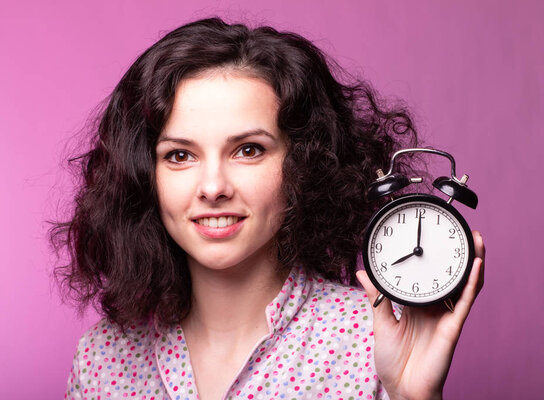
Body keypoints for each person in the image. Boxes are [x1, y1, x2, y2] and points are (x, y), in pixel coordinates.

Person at [53, 17, 485, 400]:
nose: (213, 187)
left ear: (303, 165)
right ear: (145, 175)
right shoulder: (102, 360)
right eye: (180, 155)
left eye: (248, 149)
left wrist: (413, 398)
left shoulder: (373, 341)